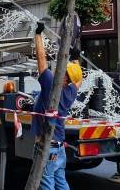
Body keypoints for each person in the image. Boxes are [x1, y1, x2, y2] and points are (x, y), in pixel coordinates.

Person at [32, 22, 83, 190]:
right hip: (59, 148)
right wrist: (76, 57)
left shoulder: (50, 86)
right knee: (61, 182)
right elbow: (78, 79)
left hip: (48, 146)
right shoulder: (71, 92)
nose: (58, 69)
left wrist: (38, 34)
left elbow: (41, 59)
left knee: (46, 184)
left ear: (64, 76)